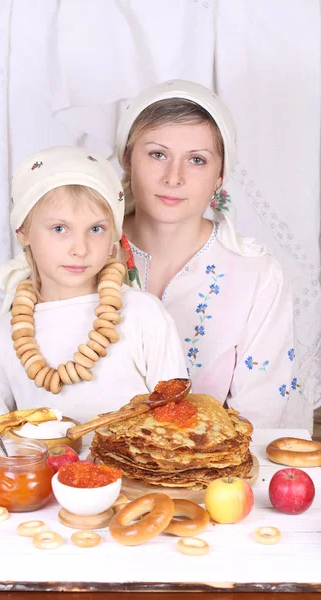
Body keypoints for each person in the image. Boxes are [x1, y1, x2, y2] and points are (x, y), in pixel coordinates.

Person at [116, 79, 310, 429]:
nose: (173, 178)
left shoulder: (258, 276)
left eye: (197, 160)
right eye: (157, 154)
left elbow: (258, 416)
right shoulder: (79, 254)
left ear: (220, 175)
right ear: (128, 160)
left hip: (211, 472)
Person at [0, 146, 187, 425]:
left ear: (113, 233)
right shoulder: (7, 334)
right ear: (23, 232)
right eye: (60, 228)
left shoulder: (144, 314)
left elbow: (177, 418)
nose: (80, 248)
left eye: (96, 229)